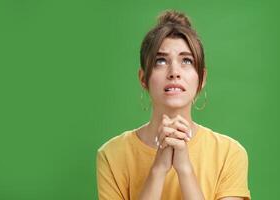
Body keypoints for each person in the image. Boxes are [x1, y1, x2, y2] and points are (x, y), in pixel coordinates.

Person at [96, 10, 251, 200]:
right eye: (160, 61)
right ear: (143, 78)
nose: (174, 72)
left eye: (186, 60)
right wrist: (159, 169)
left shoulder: (230, 154)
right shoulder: (112, 155)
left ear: (202, 79)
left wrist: (184, 169)